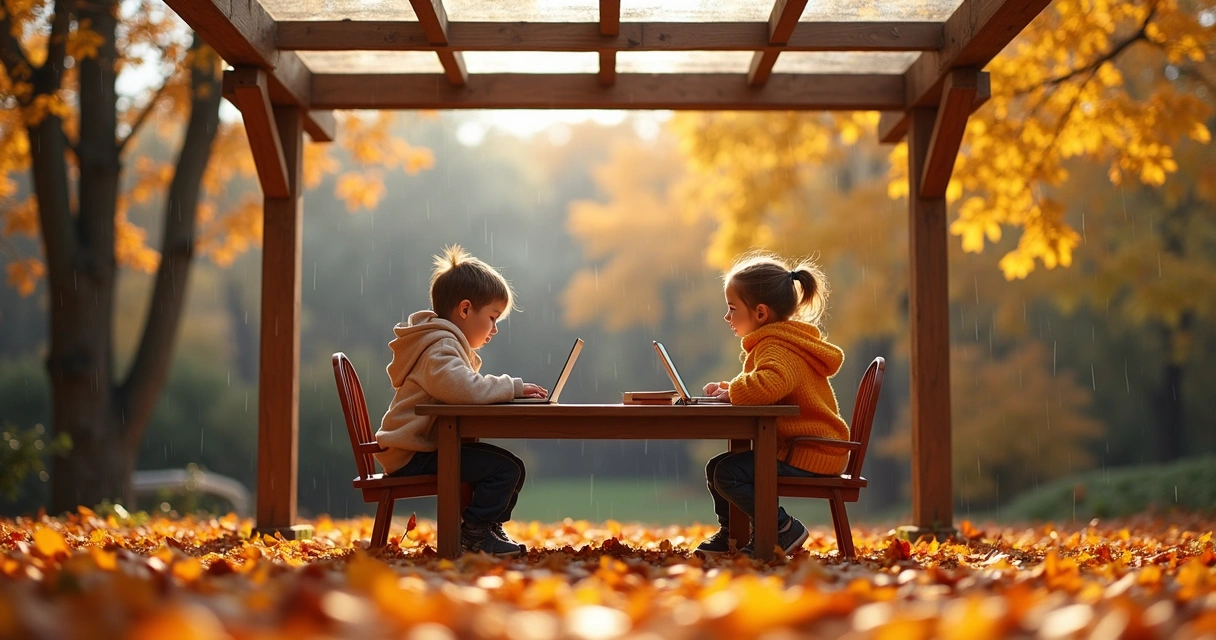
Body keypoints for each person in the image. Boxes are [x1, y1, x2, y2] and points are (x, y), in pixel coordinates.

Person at [375, 244, 547, 556]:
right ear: (465, 310)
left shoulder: (442, 343)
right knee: (502, 470)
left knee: (511, 466)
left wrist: (508, 392)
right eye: (493, 318)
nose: (494, 329)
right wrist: (514, 388)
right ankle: (476, 533)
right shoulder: (438, 347)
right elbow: (465, 390)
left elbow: (465, 389)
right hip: (412, 454)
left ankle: (486, 527)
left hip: (425, 446)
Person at [694, 252, 850, 557]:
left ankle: (781, 528)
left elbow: (769, 384)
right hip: (807, 448)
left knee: (728, 473)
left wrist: (736, 391)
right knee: (718, 467)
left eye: (732, 309)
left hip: (811, 452)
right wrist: (730, 389)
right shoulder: (781, 342)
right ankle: (732, 535)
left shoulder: (776, 346)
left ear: (761, 313)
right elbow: (769, 385)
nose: (727, 317)